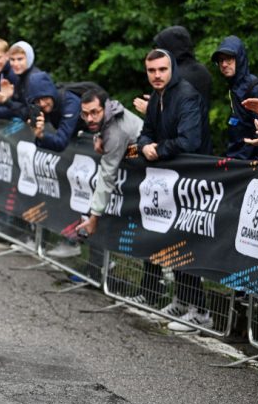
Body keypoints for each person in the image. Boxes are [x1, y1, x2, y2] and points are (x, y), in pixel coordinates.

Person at [137, 48, 212, 331]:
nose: (156, 75)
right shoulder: (159, 96)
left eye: (162, 70)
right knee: (171, 238)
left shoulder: (186, 95)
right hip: (170, 179)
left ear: (172, 70)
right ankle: (182, 300)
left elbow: (190, 140)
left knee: (188, 242)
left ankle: (201, 311)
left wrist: (158, 149)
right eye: (151, 71)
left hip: (194, 180)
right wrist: (145, 145)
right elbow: (147, 131)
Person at [75, 87, 143, 236]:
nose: (90, 119)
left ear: (105, 108)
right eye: (85, 114)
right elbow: (104, 126)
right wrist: (98, 135)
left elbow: (106, 178)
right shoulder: (110, 110)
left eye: (94, 112)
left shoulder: (115, 134)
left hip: (147, 167)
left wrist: (94, 216)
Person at [212, 35, 258, 160]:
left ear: (239, 59)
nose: (224, 64)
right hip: (237, 161)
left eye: (229, 59)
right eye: (220, 60)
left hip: (253, 168)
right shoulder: (234, 88)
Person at [134, 26, 212, 115]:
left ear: (169, 48)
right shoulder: (201, 70)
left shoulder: (174, 76)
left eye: (160, 48)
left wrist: (151, 111)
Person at [25, 71, 82, 152]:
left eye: (45, 98)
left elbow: (61, 143)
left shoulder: (70, 103)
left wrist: (42, 135)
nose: (42, 104)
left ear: (51, 93)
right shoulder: (44, 106)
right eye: (37, 101)